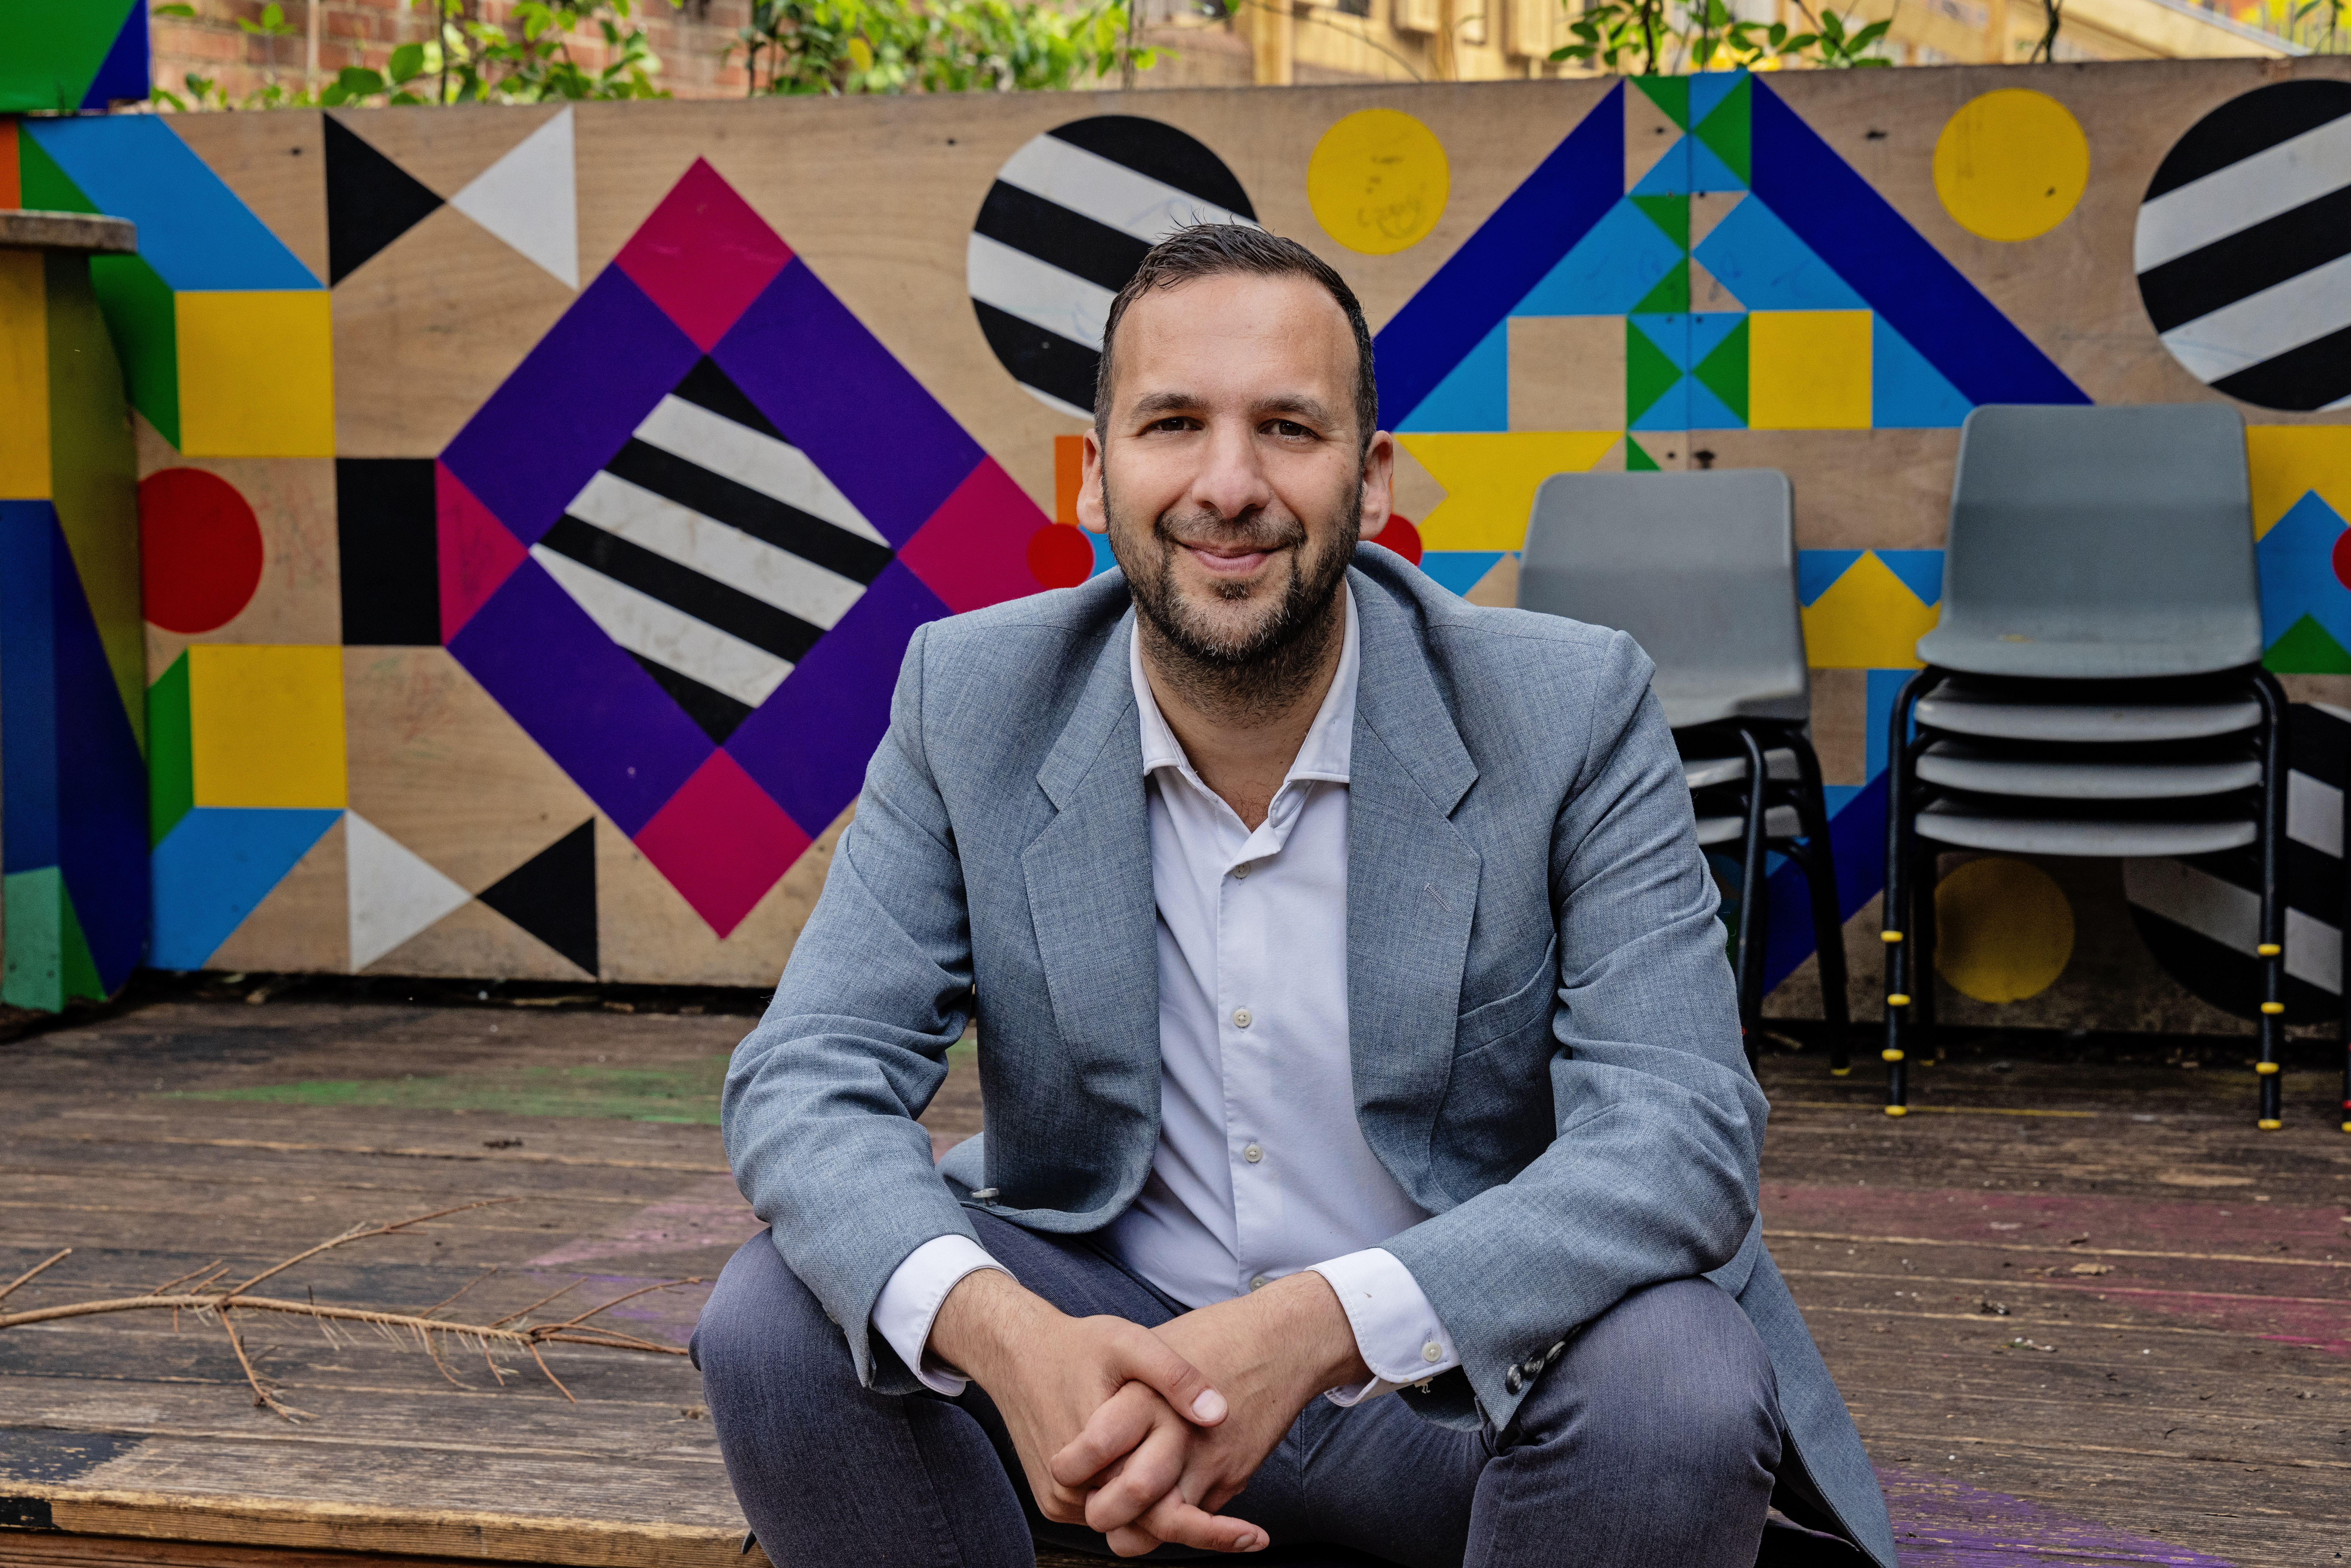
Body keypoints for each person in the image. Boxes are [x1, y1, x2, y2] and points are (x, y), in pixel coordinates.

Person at [695, 223, 1896, 1568]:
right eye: (1170, 424)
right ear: (1094, 480)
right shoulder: (969, 698)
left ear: (1371, 482)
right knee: (778, 1315)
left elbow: (1681, 1131)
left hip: (1452, 1394)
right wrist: (1006, 1334)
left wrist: (1309, 1326)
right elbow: (807, 1077)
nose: (1228, 482)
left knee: (1675, 1375)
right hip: (1103, 1374)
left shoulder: (1566, 707)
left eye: (1286, 427)